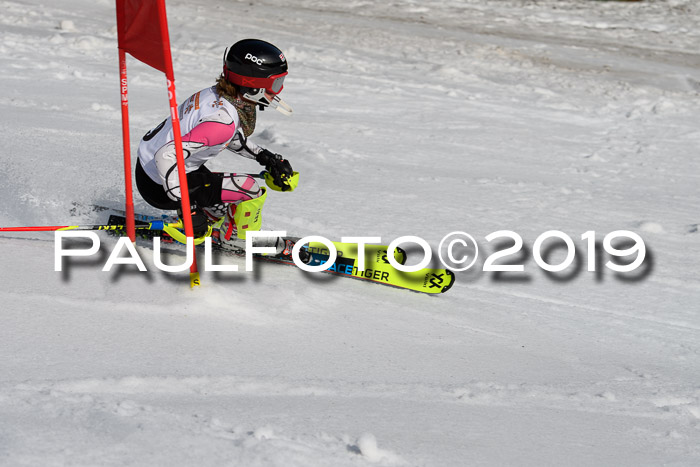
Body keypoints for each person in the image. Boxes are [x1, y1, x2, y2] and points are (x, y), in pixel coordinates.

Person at [135, 39, 299, 257]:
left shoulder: (218, 96)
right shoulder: (221, 121)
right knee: (249, 189)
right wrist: (188, 210)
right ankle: (238, 240)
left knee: (223, 201)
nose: (278, 91)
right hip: (161, 183)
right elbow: (166, 156)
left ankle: (215, 221)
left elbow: (228, 136)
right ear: (253, 85)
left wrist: (265, 157)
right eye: (276, 84)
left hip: (153, 171)